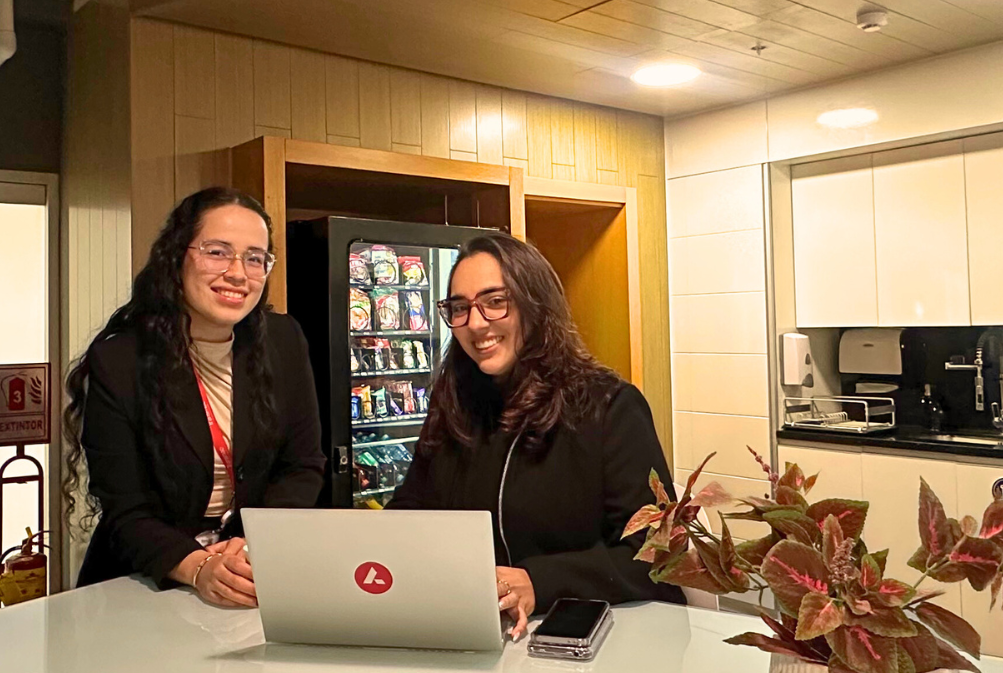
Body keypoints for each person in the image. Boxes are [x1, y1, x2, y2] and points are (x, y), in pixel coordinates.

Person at [388, 231, 682, 639]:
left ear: (535, 305)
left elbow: (657, 555)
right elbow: (412, 512)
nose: (476, 323)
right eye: (460, 308)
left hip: (594, 644)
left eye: (495, 302)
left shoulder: (609, 406)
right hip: (478, 638)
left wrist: (539, 582)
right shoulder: (452, 404)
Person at [64, 187, 324, 607]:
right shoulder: (121, 360)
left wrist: (249, 543)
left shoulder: (284, 340)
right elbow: (125, 507)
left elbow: (303, 466)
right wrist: (198, 567)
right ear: (176, 257)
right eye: (217, 252)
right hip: (146, 579)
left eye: (255, 258)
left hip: (249, 568)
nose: (238, 273)